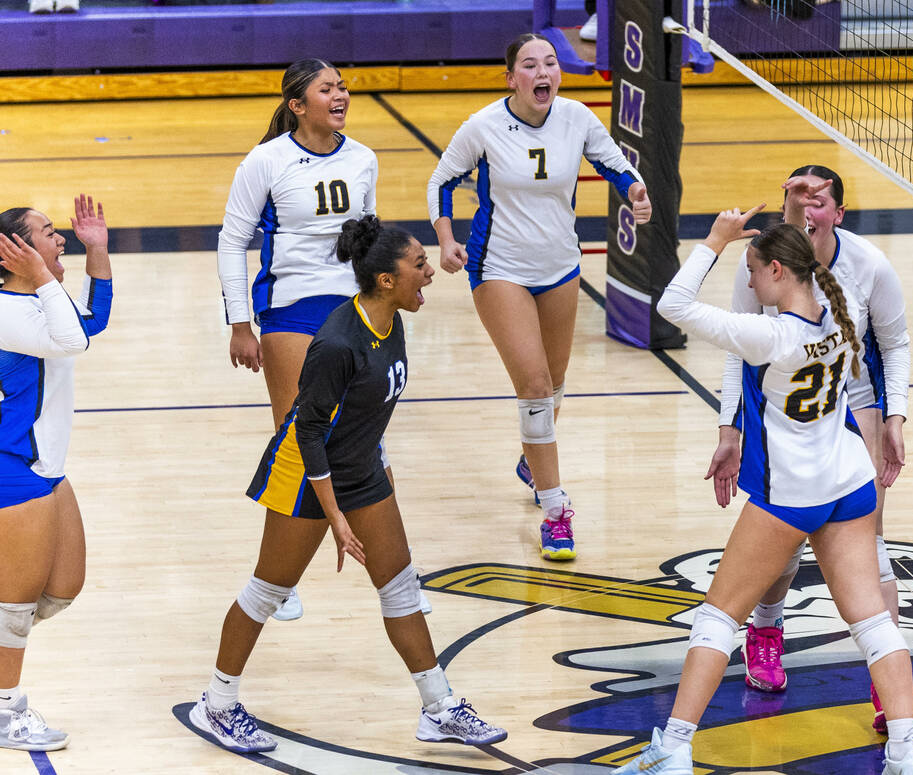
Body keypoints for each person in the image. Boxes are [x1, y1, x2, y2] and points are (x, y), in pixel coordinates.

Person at [614, 209, 913, 775]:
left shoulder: (769, 334)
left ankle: (674, 748)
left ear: (778, 270)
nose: (750, 285)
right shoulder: (841, 308)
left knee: (717, 617)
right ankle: (906, 755)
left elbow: (672, 307)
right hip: (851, 482)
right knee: (874, 623)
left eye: (754, 273)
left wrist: (713, 242)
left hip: (794, 492)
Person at [190, 217, 506, 753]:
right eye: (420, 264)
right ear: (386, 279)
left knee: (401, 585)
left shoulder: (392, 321)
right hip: (305, 475)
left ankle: (440, 708)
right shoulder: (337, 341)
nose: (430, 272)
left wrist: (378, 470)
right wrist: (335, 516)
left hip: (360, 468)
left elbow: (371, 408)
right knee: (268, 591)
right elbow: (308, 430)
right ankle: (216, 704)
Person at [427, 32, 651, 561]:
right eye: (530, 65)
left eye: (550, 62)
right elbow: (441, 181)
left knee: (553, 384)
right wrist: (446, 239)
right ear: (512, 79)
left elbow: (617, 166)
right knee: (531, 385)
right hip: (498, 267)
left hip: (560, 266)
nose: (542, 71)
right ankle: (555, 510)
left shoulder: (576, 117)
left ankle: (534, 455)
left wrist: (636, 191)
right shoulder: (483, 126)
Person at [707, 167, 909, 735]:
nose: (808, 207)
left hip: (854, 401)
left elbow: (895, 343)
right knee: (785, 534)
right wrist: (730, 428)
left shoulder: (868, 264)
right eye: (798, 197)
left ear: (839, 213)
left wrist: (895, 416)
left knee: (870, 538)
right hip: (780, 409)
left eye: (819, 199)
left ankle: (881, 671)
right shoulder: (766, 267)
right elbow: (735, 349)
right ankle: (766, 626)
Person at [218, 58, 378, 621]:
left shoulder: (364, 158)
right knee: (298, 446)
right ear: (297, 104)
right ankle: (277, 583)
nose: (341, 95)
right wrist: (241, 323)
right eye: (327, 88)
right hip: (291, 307)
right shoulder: (266, 161)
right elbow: (232, 240)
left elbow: (370, 238)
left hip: (355, 308)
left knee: (365, 445)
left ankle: (393, 576)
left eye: (343, 87)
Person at [0, 195, 111, 752]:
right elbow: (73, 339)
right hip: (12, 467)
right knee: (14, 605)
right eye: (47, 233)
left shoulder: (38, 301)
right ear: (16, 250)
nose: (58, 237)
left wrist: (98, 252)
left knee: (63, 588)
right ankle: (4, 713)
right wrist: (43, 275)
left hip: (46, 466)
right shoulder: (7, 310)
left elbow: (90, 322)